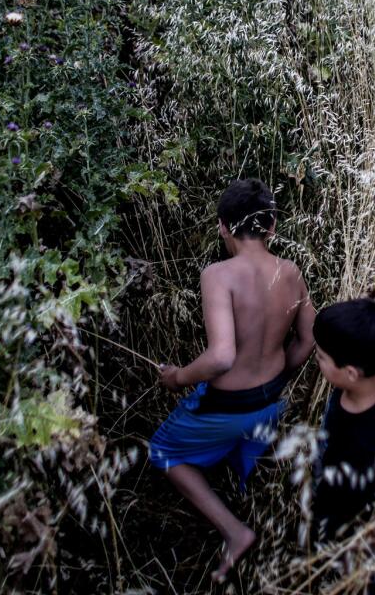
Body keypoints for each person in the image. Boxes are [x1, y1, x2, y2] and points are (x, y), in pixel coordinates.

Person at [149, 178, 316, 581]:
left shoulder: (218, 275)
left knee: (163, 451)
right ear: (272, 225)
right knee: (245, 433)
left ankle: (235, 531)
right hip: (272, 400)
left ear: (223, 226)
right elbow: (309, 338)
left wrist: (177, 378)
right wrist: (280, 374)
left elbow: (222, 357)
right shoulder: (290, 271)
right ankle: (245, 471)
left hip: (227, 405)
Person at [311, 298, 375, 544]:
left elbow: (374, 505)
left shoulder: (365, 444)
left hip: (340, 507)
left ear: (351, 373)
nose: (316, 360)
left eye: (321, 357)